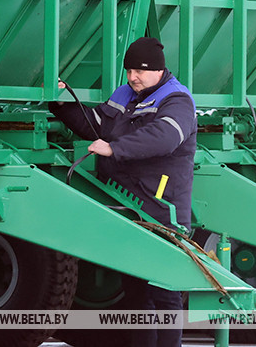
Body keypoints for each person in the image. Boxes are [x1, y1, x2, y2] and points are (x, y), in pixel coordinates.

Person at [50, 36, 195, 347]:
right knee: (137, 294)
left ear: (158, 70)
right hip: (128, 207)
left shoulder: (177, 100)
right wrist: (61, 104)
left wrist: (115, 149)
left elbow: (163, 138)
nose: (132, 77)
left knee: (165, 295)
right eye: (129, 70)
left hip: (160, 209)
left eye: (139, 71)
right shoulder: (124, 94)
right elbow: (97, 124)